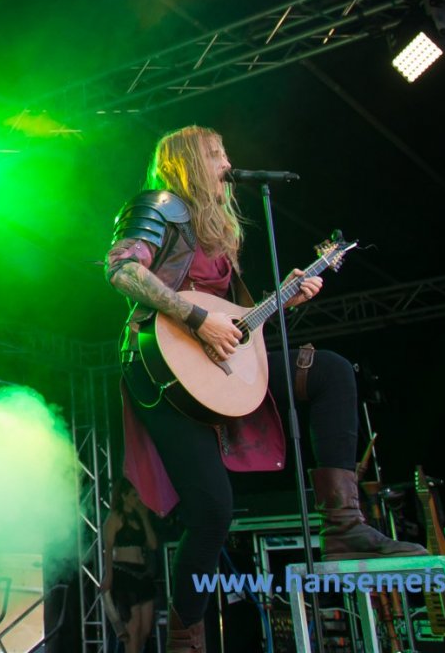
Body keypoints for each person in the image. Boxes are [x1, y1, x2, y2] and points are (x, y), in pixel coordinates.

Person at [105, 126, 420, 653]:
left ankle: (343, 525)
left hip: (213, 364)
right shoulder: (158, 207)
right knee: (212, 513)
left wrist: (281, 301)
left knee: (331, 371)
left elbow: (234, 323)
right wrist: (196, 317)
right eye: (215, 153)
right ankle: (185, 640)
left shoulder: (218, 232)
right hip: (159, 367)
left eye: (225, 151)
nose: (227, 162)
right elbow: (121, 271)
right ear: (187, 162)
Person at [102, 480, 158, 653]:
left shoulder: (138, 518)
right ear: (124, 496)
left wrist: (144, 517)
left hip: (142, 573)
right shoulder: (115, 518)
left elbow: (153, 544)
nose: (137, 499)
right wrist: (108, 575)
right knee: (133, 627)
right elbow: (108, 549)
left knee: (146, 628)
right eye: (134, 495)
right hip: (124, 573)